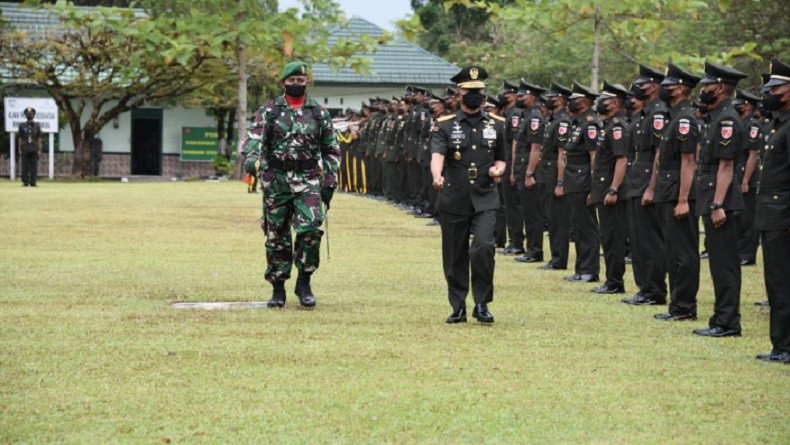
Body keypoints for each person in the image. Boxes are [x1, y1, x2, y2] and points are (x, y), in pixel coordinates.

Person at [243, 61, 340, 309]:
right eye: (292, 80)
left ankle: (304, 281)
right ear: (284, 82)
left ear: (307, 82)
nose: (297, 84)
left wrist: (329, 181)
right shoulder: (269, 111)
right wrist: (252, 160)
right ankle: (278, 288)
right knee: (276, 236)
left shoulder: (319, 113)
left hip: (308, 180)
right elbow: (254, 140)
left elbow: (331, 149)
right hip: (276, 180)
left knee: (310, 230)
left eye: (301, 80)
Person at [431, 65, 507, 324]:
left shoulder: (497, 125)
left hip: (486, 196)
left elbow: (502, 159)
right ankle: (458, 305)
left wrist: (498, 169)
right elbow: (437, 155)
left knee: (484, 248)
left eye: (479, 91)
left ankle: (482, 303)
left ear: (484, 94)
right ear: (458, 93)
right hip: (454, 196)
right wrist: (437, 175)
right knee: (454, 254)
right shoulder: (445, 125)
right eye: (469, 91)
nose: (474, 95)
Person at [692, 61, 747, 338]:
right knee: (717, 261)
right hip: (714, 195)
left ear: (721, 88)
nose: (703, 91)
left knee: (725, 264)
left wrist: (717, 204)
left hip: (721, 200)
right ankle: (720, 317)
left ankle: (728, 322)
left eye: (707, 86)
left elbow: (726, 166)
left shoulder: (727, 119)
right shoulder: (717, 116)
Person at [647, 64, 701, 322]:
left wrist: (682, 199)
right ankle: (677, 305)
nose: (662, 90)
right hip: (668, 192)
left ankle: (685, 307)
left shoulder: (685, 119)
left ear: (679, 89)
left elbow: (689, 162)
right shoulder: (673, 117)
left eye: (667, 86)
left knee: (683, 254)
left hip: (679, 195)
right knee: (672, 251)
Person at [621, 65, 669, 306]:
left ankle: (655, 290)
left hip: (647, 183)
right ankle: (644, 288)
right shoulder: (644, 114)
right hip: (636, 182)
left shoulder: (658, 114)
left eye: (641, 85)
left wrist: (652, 187)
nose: (636, 89)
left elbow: (659, 154)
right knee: (638, 240)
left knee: (650, 241)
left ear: (654, 87)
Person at [755, 57, 790, 363]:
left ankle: (786, 346)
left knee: (782, 281)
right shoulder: (778, 125)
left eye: (774, 88)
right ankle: (780, 345)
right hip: (771, 214)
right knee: (775, 281)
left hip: (783, 216)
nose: (768, 94)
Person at [590, 81, 630, 294]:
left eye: (603, 99)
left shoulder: (617, 127)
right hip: (603, 190)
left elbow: (621, 160)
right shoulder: (608, 125)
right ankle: (611, 280)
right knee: (607, 236)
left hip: (611, 192)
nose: (599, 103)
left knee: (613, 238)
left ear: (614, 103)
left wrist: (613, 189)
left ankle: (615, 282)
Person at [559, 81, 602, 283]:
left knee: (587, 227)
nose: (569, 104)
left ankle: (590, 270)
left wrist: (593, 187)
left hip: (583, 179)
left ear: (584, 101)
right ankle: (581, 268)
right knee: (578, 226)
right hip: (573, 179)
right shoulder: (578, 122)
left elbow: (594, 156)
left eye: (573, 100)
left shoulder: (590, 123)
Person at [537, 82, 573, 271]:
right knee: (551, 218)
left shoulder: (563, 122)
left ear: (560, 100)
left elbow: (562, 155)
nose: (548, 100)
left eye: (552, 97)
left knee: (558, 219)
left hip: (554, 174)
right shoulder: (552, 120)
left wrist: (560, 182)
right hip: (546, 172)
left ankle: (560, 259)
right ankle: (554, 257)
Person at [513, 80, 547, 264]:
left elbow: (535, 148)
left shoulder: (534, 118)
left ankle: (535, 251)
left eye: (521, 96)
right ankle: (531, 249)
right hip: (522, 169)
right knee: (527, 212)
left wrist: (529, 174)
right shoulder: (527, 115)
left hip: (530, 173)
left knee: (533, 213)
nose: (518, 99)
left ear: (532, 98)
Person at [733, 89, 762, 266]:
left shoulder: (752, 125)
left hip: (747, 176)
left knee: (747, 218)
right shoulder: (740, 122)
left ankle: (747, 254)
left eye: (740, 102)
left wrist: (745, 180)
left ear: (747, 106)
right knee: (738, 216)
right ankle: (739, 250)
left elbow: (753, 155)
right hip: (738, 172)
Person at [17, 107, 42, 187]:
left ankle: (33, 182)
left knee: (34, 166)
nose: (30, 115)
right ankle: (25, 182)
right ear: (26, 115)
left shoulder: (37, 125)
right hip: (25, 148)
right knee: (24, 166)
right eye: (28, 114)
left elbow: (39, 138)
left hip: (34, 148)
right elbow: (20, 138)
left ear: (34, 115)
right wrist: (19, 149)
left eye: (31, 114)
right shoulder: (22, 125)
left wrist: (39, 149)